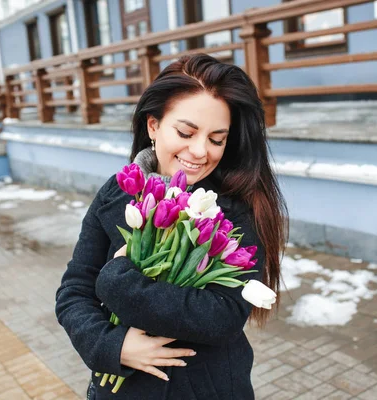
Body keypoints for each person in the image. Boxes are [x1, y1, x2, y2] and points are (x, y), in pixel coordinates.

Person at [55, 54, 288, 400]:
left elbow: (223, 315)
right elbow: (74, 291)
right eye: (186, 132)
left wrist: (120, 278)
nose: (200, 151)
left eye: (216, 139)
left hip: (207, 389)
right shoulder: (118, 191)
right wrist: (112, 346)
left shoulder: (235, 208)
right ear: (153, 125)